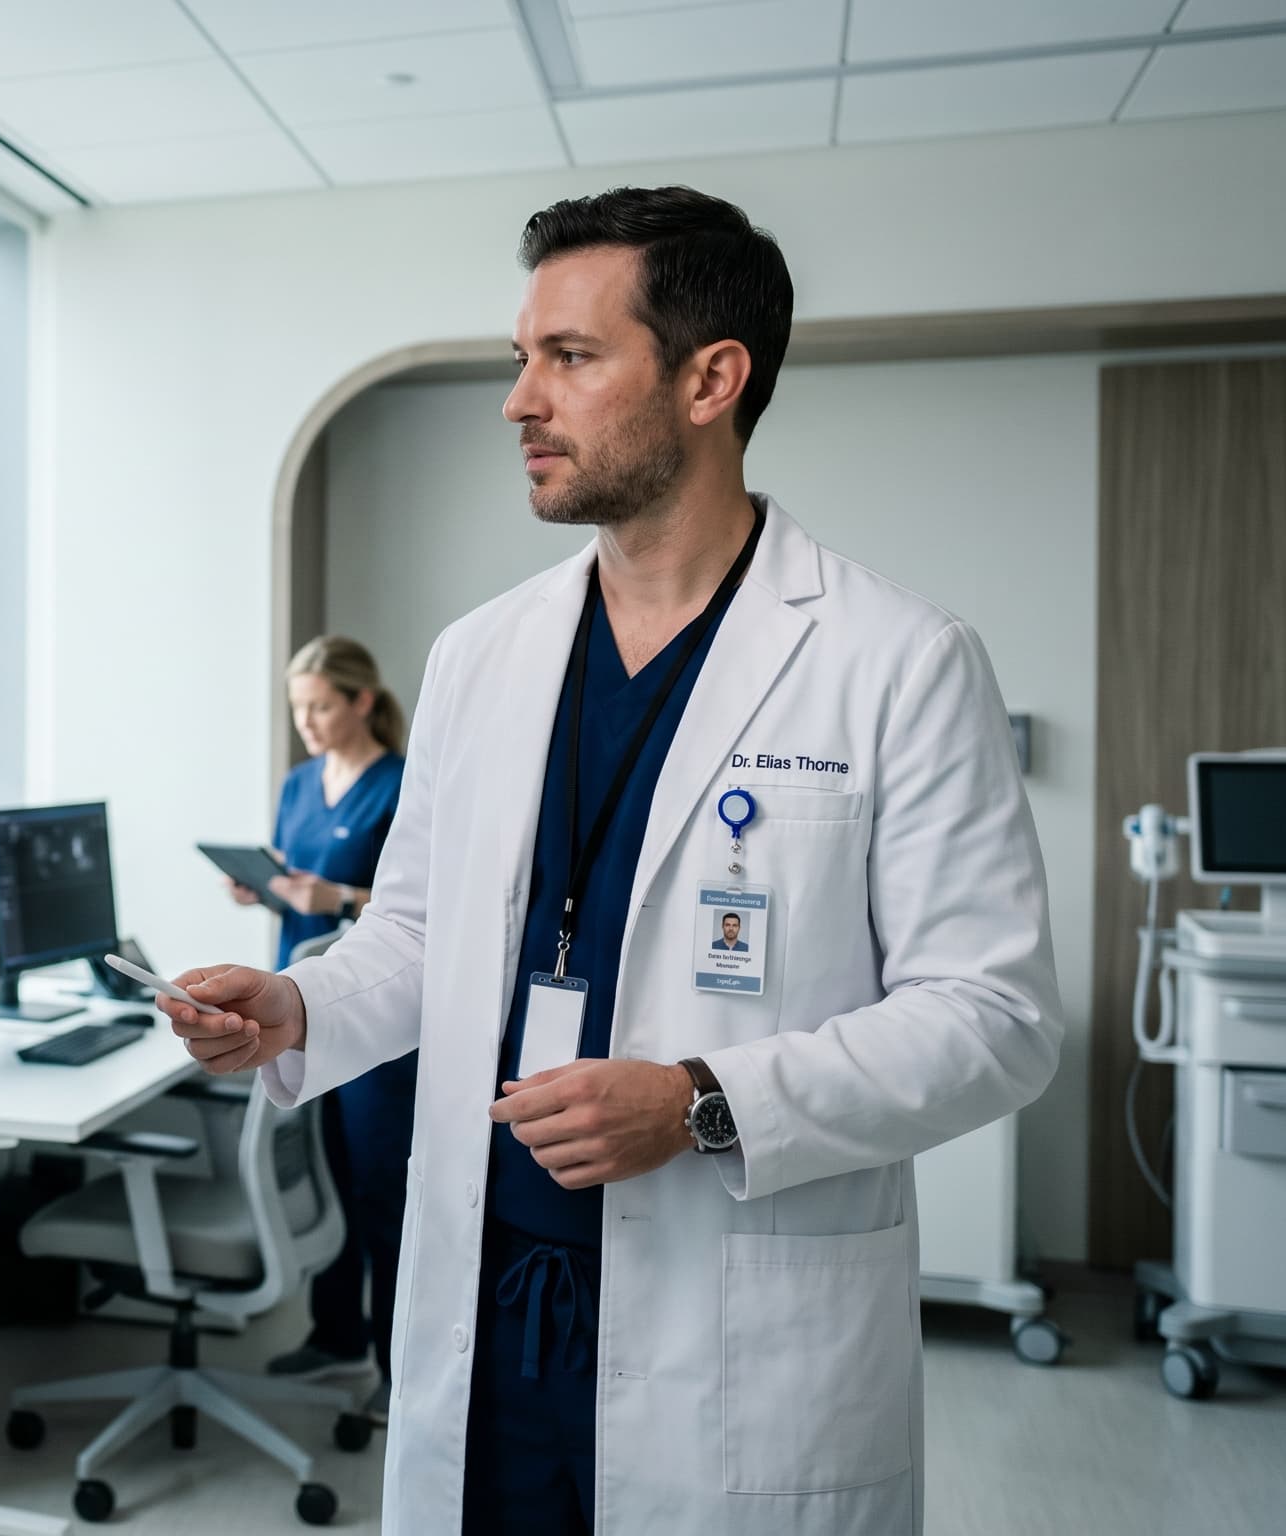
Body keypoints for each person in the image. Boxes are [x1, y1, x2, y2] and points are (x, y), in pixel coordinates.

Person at [158, 186, 1059, 1535]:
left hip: (734, 1312)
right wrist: (303, 1006)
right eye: (523, 357)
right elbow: (415, 934)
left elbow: (995, 1019)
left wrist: (704, 1102)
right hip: (489, 1285)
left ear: (711, 379)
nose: (519, 399)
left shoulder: (895, 661)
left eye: (570, 359)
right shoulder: (481, 655)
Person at [227, 638, 416, 1424]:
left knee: (381, 1193)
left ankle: (396, 1370)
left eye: (321, 706)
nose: (306, 722)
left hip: (375, 1018)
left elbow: (419, 910)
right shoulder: (301, 785)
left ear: (362, 702)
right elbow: (294, 890)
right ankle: (334, 1334)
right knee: (326, 1178)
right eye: (298, 707)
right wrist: (265, 890)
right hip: (301, 1014)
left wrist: (337, 897)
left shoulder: (402, 786)